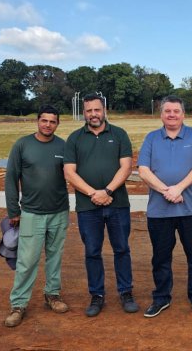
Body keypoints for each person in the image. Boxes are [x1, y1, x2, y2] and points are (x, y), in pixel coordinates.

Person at [137, 95, 192, 318]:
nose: (172, 115)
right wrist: (167, 191)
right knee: (160, 257)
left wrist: (178, 188)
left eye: (176, 111)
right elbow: (143, 171)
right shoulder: (152, 138)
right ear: (161, 114)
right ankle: (161, 297)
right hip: (159, 212)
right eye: (167, 111)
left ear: (183, 114)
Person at [64, 95, 138, 317]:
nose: (93, 114)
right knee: (92, 252)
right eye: (89, 111)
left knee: (121, 249)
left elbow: (126, 167)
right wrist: (93, 194)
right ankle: (97, 295)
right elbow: (69, 172)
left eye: (97, 110)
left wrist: (107, 191)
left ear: (104, 110)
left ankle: (126, 292)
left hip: (117, 204)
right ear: (84, 113)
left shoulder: (119, 134)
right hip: (88, 207)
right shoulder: (75, 138)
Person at [3, 105, 71, 328]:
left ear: (57, 124)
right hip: (31, 213)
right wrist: (13, 210)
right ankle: (18, 304)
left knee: (55, 257)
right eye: (44, 120)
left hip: (59, 211)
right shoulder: (23, 145)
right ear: (38, 121)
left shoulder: (63, 146)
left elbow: (72, 174)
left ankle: (52, 295)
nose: (48, 125)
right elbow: (11, 178)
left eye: (52, 121)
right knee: (27, 261)